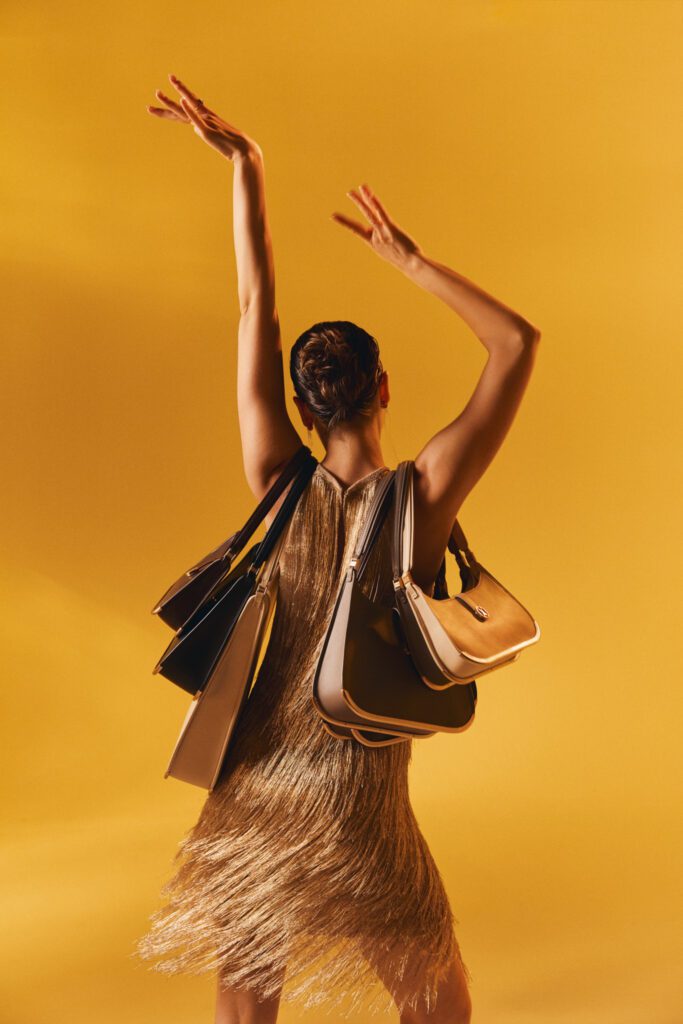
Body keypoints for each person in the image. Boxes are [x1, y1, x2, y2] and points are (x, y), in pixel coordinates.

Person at [136, 75, 541, 1024]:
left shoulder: (275, 478)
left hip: (254, 793)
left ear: (304, 405)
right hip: (362, 810)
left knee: (249, 1004)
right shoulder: (423, 499)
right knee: (438, 1012)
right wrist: (409, 261)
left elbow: (252, 310)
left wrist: (248, 169)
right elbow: (516, 344)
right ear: (383, 388)